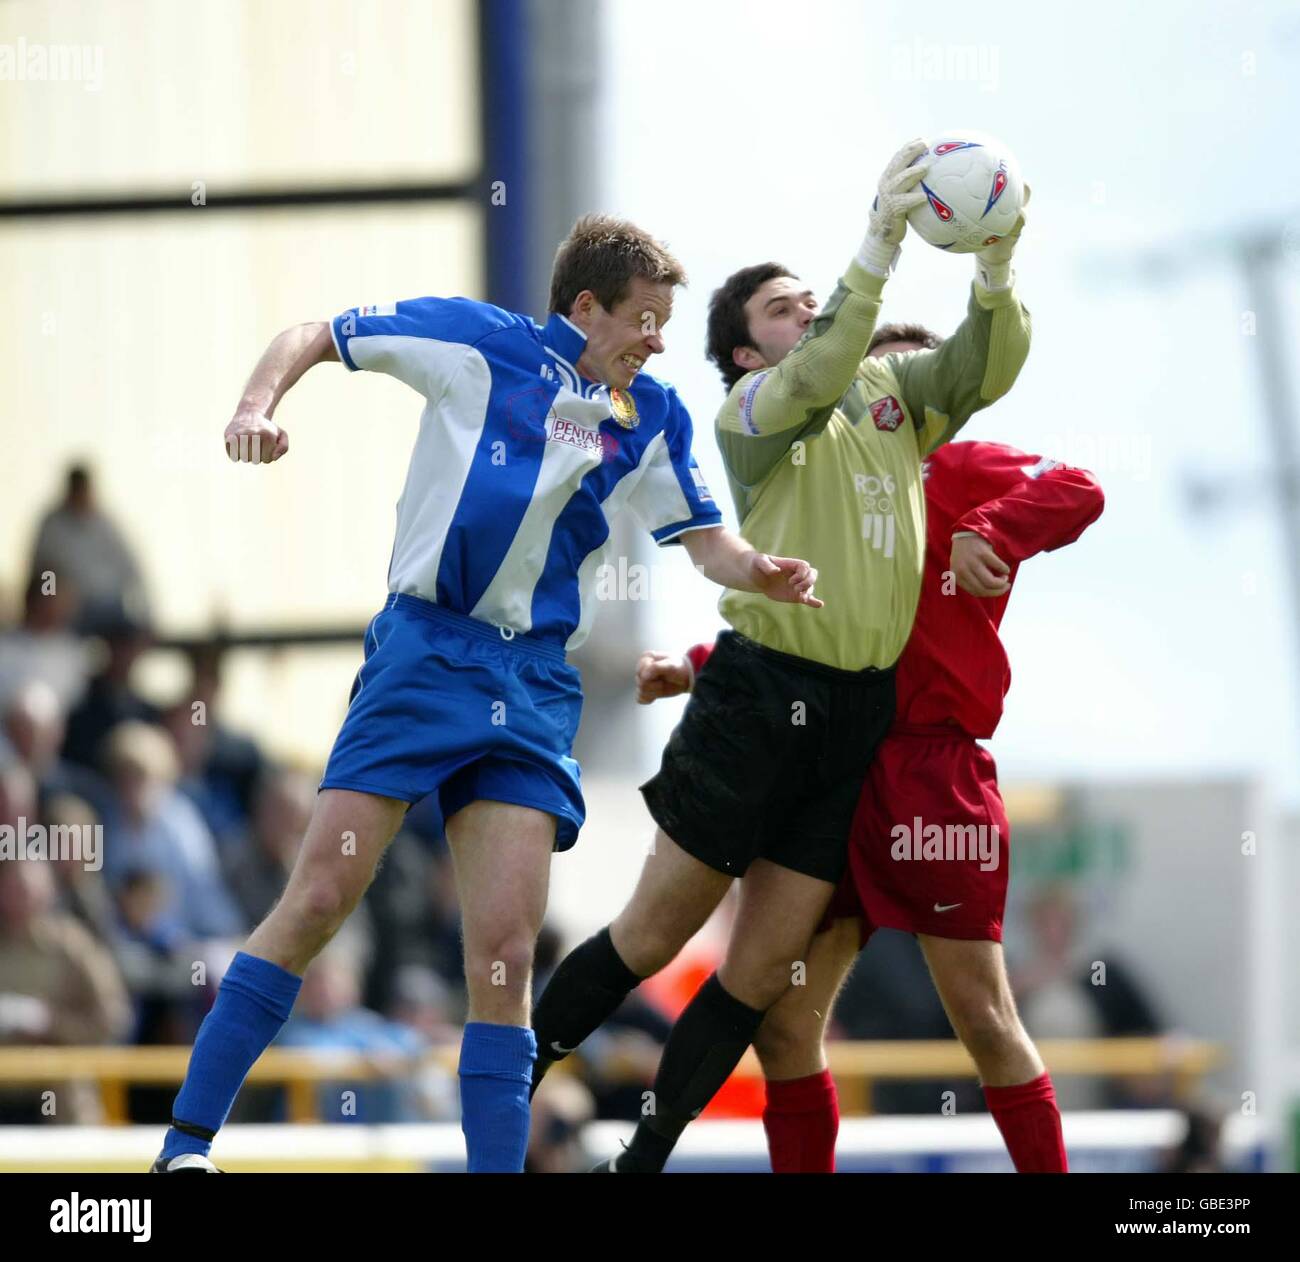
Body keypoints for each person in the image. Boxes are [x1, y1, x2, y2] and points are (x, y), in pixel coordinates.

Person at [153, 214, 822, 1174]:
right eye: (644, 318)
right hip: (425, 656)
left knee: (503, 959)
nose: (657, 340)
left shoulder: (658, 415)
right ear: (584, 306)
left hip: (536, 683)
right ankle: (184, 1147)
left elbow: (707, 542)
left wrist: (760, 572)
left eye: (667, 323)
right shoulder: (479, 343)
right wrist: (255, 407)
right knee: (318, 900)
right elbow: (313, 333)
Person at [530, 141, 1034, 1172]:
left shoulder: (891, 404)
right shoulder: (754, 410)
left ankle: (644, 1154)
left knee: (760, 975)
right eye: (779, 307)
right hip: (759, 706)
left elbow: (983, 367)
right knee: (651, 940)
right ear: (745, 353)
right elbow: (819, 364)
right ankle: (507, 1079)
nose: (804, 313)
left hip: (850, 719)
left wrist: (994, 266)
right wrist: (877, 245)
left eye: (811, 299)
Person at [637, 327, 1104, 1173]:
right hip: (834, 769)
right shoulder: (840, 495)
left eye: (891, 374)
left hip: (935, 773)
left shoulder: (963, 468)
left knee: (983, 1017)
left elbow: (1079, 485)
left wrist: (992, 533)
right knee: (784, 1024)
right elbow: (796, 644)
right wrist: (696, 666)